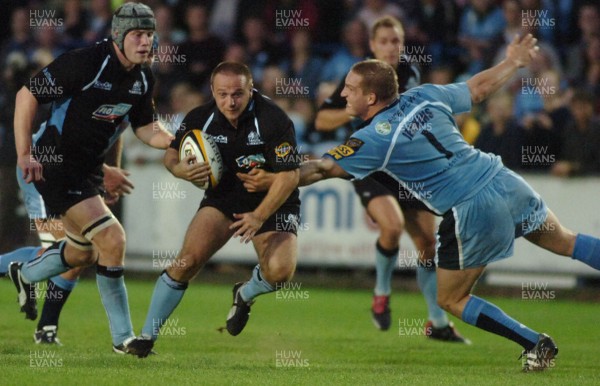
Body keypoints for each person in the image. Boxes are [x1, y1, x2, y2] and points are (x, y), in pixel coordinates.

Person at [297, 34, 600, 371]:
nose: (341, 94)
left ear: (370, 97)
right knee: (566, 241)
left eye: (349, 89)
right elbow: (478, 89)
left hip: (471, 208)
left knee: (450, 299)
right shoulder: (424, 94)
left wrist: (276, 177)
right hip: (504, 181)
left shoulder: (371, 137)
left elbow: (321, 169)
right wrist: (513, 62)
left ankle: (535, 344)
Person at [7, 2, 174, 357]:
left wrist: (177, 141)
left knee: (79, 253)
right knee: (111, 239)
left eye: (150, 35)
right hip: (48, 165)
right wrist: (25, 154)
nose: (146, 42)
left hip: (84, 172)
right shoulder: (85, 63)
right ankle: (122, 338)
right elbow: (26, 95)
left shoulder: (143, 78)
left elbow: (143, 127)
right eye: (138, 35)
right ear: (118, 35)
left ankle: (24, 274)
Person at [312, 16, 467, 341]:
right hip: (370, 162)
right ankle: (382, 291)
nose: (391, 47)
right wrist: (350, 111)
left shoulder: (409, 72)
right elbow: (322, 120)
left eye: (396, 41)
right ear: (372, 46)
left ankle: (437, 323)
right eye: (384, 41)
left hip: (407, 166)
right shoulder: (358, 77)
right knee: (392, 227)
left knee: (427, 245)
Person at [134, 61, 300, 358]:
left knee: (280, 273)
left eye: (238, 94)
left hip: (272, 202)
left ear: (251, 89)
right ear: (212, 91)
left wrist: (260, 215)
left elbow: (290, 175)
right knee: (186, 262)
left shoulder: (273, 118)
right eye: (222, 94)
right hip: (223, 199)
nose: (230, 102)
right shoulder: (200, 117)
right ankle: (146, 337)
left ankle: (245, 293)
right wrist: (179, 171)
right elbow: (172, 156)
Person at [0, 137, 133, 345]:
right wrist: (107, 171)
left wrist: (108, 172)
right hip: (43, 167)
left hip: (75, 174)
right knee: (71, 250)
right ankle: (45, 326)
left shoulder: (123, 107)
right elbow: (69, 141)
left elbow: (115, 134)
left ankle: (45, 328)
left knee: (78, 253)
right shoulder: (80, 107)